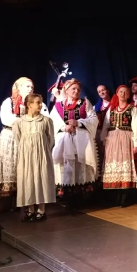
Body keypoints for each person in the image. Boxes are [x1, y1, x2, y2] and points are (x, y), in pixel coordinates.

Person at [0, 77, 48, 196]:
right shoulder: (9, 102)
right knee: (11, 165)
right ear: (19, 87)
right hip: (10, 136)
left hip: (29, 138)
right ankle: (9, 195)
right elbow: (6, 118)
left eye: (32, 87)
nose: (30, 89)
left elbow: (45, 118)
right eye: (27, 86)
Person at [50, 79, 99, 211]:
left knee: (81, 165)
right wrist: (64, 127)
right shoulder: (59, 105)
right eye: (73, 89)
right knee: (66, 166)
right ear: (66, 90)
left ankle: (81, 197)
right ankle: (67, 196)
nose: (76, 91)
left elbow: (93, 119)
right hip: (65, 141)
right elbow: (52, 122)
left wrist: (79, 123)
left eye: (78, 89)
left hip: (81, 141)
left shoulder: (85, 103)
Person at [13, 94, 56, 222]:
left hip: (42, 155)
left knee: (41, 179)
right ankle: (30, 210)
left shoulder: (46, 121)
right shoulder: (19, 122)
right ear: (29, 105)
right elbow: (18, 139)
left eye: (41, 102)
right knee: (28, 180)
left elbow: (51, 139)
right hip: (26, 157)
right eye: (38, 102)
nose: (41, 105)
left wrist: (42, 150)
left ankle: (41, 210)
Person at [101, 85, 137, 207]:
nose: (123, 94)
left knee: (125, 165)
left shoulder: (133, 110)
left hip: (126, 139)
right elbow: (105, 126)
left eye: (125, 92)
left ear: (129, 95)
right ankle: (116, 195)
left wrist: (136, 144)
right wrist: (104, 141)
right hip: (112, 140)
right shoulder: (111, 109)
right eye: (121, 92)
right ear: (117, 93)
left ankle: (125, 196)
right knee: (115, 166)